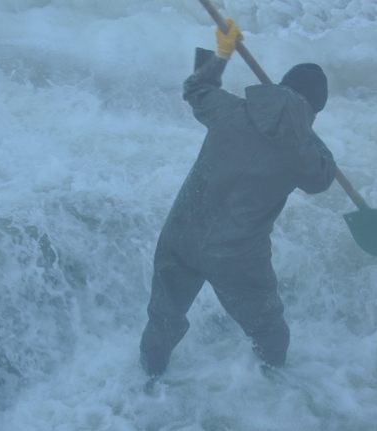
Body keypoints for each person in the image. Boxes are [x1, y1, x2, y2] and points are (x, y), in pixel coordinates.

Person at [139, 19, 336, 377]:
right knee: (269, 332)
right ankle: (277, 388)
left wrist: (222, 53)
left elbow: (197, 86)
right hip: (236, 257)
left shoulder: (229, 110)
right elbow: (323, 178)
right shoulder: (303, 153)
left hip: (179, 236)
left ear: (277, 88)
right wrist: (305, 132)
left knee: (163, 320)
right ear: (313, 111)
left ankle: (148, 380)